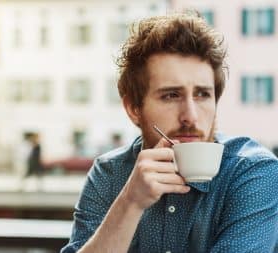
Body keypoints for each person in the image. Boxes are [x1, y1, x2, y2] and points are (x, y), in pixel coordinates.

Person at [61, 11, 278, 253]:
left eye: (202, 94)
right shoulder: (109, 174)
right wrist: (129, 203)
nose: (191, 116)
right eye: (171, 95)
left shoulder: (253, 172)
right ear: (133, 108)